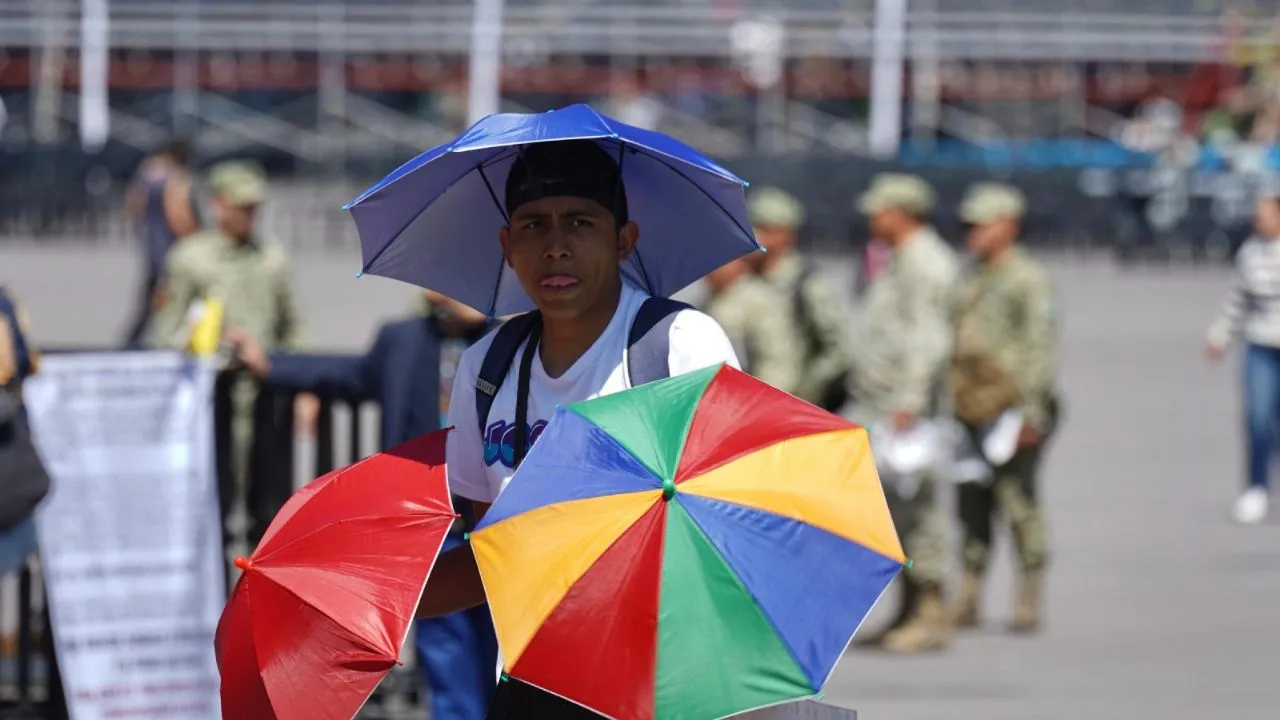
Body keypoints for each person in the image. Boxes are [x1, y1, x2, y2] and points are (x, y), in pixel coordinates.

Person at [411, 139, 741, 715]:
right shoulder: (486, 366)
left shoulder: (679, 347)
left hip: (668, 682)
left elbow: (733, 522)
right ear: (508, 246)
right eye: (534, 226)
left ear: (623, 241)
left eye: (580, 223)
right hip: (532, 681)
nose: (556, 247)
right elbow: (493, 551)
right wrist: (374, 595)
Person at [225, 290, 500, 719]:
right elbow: (347, 374)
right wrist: (271, 365)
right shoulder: (402, 339)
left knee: (502, 665)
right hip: (432, 533)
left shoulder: (508, 342)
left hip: (494, 526)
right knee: (449, 669)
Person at [147, 160, 306, 551]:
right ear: (218, 205)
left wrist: (303, 386)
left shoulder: (271, 257)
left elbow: (294, 326)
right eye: (241, 207)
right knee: (208, 509)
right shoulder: (189, 259)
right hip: (209, 404)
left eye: (254, 207)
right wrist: (208, 345)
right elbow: (164, 333)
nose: (250, 216)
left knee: (269, 512)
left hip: (264, 401)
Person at [848, 172, 959, 653]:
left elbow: (929, 338)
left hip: (904, 411)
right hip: (883, 405)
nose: (872, 217)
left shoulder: (927, 263)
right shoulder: (901, 259)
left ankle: (931, 613)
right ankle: (908, 608)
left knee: (917, 510)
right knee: (893, 513)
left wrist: (909, 401)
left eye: (880, 209)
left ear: (903, 212)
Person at [948, 183, 1061, 634]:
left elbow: (1040, 347)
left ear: (1008, 226)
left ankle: (1028, 593)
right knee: (970, 502)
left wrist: (1032, 412)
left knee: (1018, 502)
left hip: (1011, 407)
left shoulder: (1027, 278)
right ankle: (971, 593)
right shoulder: (972, 275)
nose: (971, 232)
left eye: (981, 224)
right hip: (968, 404)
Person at [744, 186, 855, 411]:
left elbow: (840, 349)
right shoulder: (746, 282)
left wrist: (809, 388)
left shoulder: (807, 284)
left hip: (791, 408)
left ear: (785, 234)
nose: (754, 235)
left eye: (763, 228)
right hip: (751, 407)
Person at [1206, 192, 1280, 524]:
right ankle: (1256, 486)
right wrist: (1220, 335)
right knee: (1258, 417)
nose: (1258, 219)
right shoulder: (1250, 253)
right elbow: (1237, 299)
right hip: (1260, 343)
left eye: (1264, 213)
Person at [122, 138, 200, 347]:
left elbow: (132, 206)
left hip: (153, 246)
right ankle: (164, 344)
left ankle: (129, 344)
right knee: (174, 301)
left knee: (150, 303)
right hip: (172, 250)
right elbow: (178, 214)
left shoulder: (147, 173)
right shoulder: (175, 176)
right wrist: (197, 240)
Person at [701, 256, 804, 395]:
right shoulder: (705, 303)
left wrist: (761, 400)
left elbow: (777, 359)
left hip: (751, 398)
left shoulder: (759, 299)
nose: (712, 270)